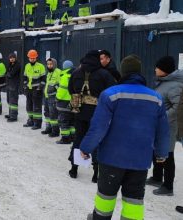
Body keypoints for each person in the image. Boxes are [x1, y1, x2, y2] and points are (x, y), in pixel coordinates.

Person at [80, 55, 170, 220]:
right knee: (134, 200)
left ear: (123, 71)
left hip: (111, 159)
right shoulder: (155, 98)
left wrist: (86, 148)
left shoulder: (110, 95)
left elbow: (99, 126)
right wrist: (162, 153)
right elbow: (163, 129)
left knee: (105, 197)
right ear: (139, 72)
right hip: (140, 160)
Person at [68, 50, 116, 181]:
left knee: (79, 138)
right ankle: (96, 173)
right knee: (96, 139)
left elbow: (70, 89)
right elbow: (112, 91)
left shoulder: (76, 72)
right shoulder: (104, 74)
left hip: (79, 111)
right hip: (97, 112)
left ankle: (74, 168)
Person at [146, 56, 183, 196]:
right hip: (158, 125)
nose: (155, 69)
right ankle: (156, 177)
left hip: (168, 126)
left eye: (158, 67)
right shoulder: (163, 82)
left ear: (165, 70)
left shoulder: (175, 85)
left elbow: (178, 107)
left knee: (168, 154)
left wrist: (162, 118)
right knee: (157, 150)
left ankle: (168, 186)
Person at [23, 49, 46, 129]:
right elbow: (25, 77)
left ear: (36, 58)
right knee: (29, 106)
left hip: (37, 90)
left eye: (34, 58)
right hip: (29, 90)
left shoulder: (41, 66)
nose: (32, 59)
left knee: (37, 107)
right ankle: (31, 121)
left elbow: (43, 80)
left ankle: (37, 123)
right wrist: (25, 86)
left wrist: (39, 88)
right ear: (28, 58)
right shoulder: (27, 66)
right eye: (31, 58)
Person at [56, 60, 75, 144]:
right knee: (71, 120)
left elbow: (62, 90)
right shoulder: (75, 74)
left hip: (63, 101)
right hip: (73, 101)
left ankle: (65, 138)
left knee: (63, 120)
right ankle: (72, 137)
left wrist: (57, 97)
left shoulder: (65, 76)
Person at [42, 58, 61, 137]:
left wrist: (54, 89)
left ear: (54, 64)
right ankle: (48, 128)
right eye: (48, 64)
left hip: (53, 96)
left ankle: (55, 131)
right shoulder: (48, 73)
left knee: (53, 114)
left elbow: (60, 84)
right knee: (47, 113)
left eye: (51, 64)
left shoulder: (58, 72)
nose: (49, 66)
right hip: (47, 96)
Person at [5, 53, 21, 122]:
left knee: (13, 101)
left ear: (15, 58)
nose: (11, 59)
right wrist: (8, 73)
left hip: (14, 84)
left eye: (13, 58)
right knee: (9, 100)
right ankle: (10, 113)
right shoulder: (9, 64)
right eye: (10, 58)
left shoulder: (17, 65)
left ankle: (14, 116)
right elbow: (7, 73)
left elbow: (11, 74)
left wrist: (8, 73)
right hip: (9, 84)